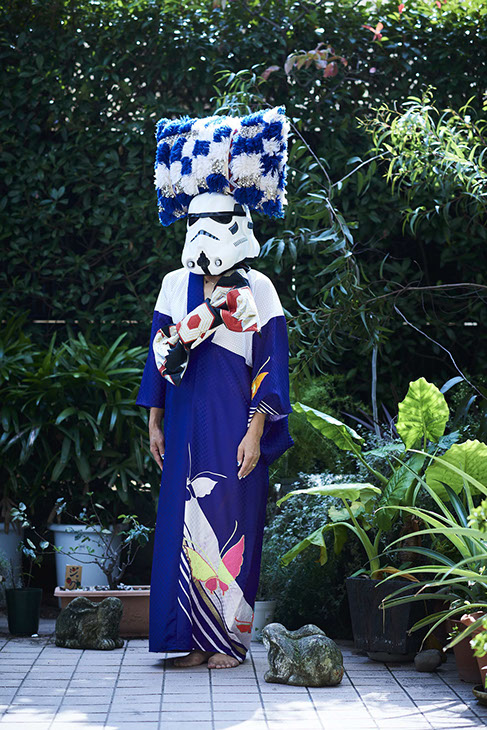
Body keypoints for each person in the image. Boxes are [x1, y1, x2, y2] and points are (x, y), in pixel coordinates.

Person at [136, 107, 293, 669]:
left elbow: (270, 365)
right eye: (196, 221)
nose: (205, 231)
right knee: (181, 520)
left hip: (233, 423)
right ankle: (185, 640)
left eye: (218, 219)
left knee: (230, 520)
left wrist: (256, 432)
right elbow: (157, 354)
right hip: (183, 421)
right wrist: (154, 420)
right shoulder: (173, 284)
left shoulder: (260, 288)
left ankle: (224, 641)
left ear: (239, 221)